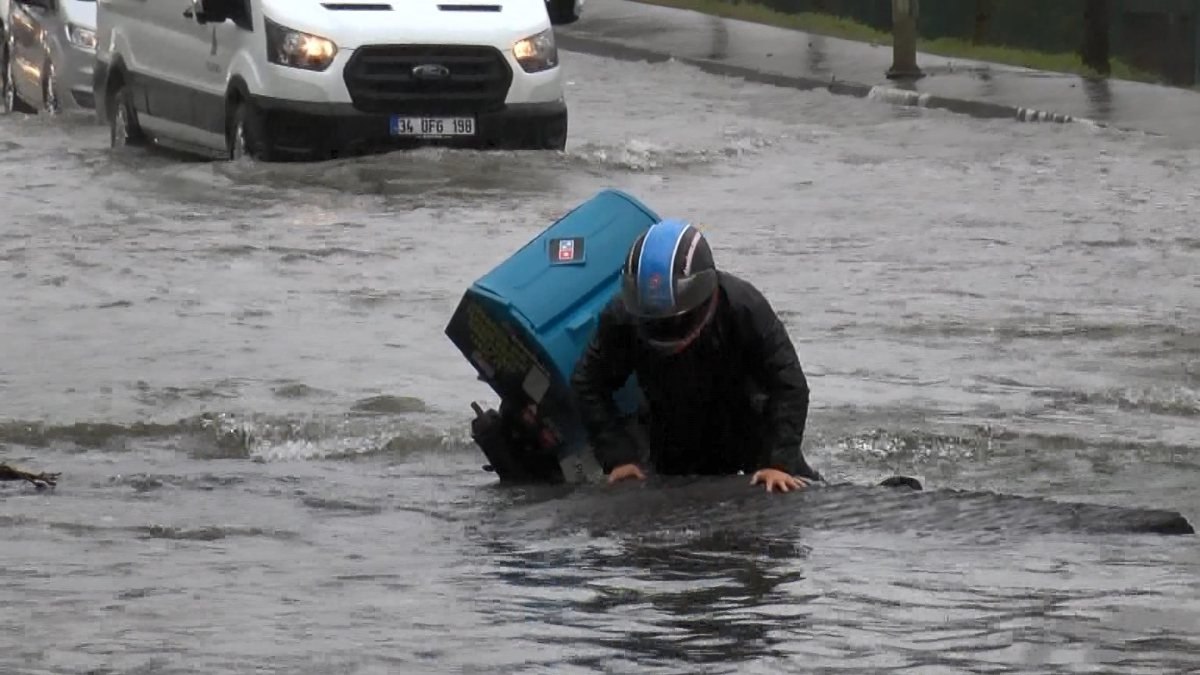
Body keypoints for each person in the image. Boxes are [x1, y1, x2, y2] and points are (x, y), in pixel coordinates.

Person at [570, 218, 823, 493]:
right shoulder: (622, 316)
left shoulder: (743, 306)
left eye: (673, 320)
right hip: (671, 434)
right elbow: (588, 382)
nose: (665, 329)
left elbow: (789, 384)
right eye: (655, 321)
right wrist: (617, 457)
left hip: (748, 429)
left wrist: (779, 462)